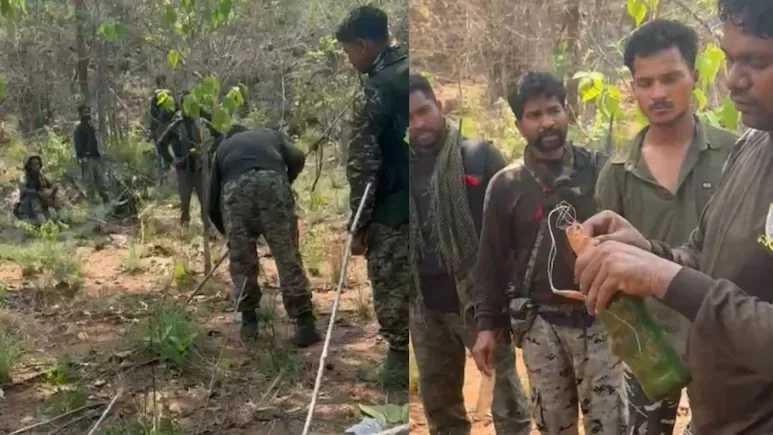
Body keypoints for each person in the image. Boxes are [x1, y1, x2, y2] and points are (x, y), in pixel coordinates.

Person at [574, 0, 773, 432]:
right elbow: (703, 253)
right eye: (732, 60)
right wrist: (648, 252)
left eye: (757, 62)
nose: (734, 79)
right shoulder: (753, 145)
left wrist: (664, 277)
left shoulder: (728, 145)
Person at [595, 19, 739, 435]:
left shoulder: (735, 154)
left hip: (723, 336)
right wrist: (621, 334)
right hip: (650, 344)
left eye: (670, 78)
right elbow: (608, 266)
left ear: (694, 76)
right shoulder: (617, 173)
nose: (658, 94)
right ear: (633, 88)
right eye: (645, 83)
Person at [471, 72, 627, 434]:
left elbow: (627, 241)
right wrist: (486, 326)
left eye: (554, 110)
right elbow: (491, 261)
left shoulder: (601, 171)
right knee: (554, 425)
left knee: (612, 425)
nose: (547, 122)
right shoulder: (506, 185)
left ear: (567, 111)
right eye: (534, 115)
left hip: (601, 320)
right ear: (519, 124)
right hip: (541, 326)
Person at [408, 74, 531, 434]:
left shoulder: (478, 157)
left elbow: (515, 224)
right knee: (439, 403)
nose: (419, 123)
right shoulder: (401, 168)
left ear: (439, 106)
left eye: (424, 111)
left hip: (478, 301)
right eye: (409, 118)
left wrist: (507, 296)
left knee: (505, 399)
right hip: (425, 305)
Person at [336, 5, 409, 388]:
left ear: (364, 45)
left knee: (394, 295)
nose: (350, 61)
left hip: (392, 211)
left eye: (349, 52)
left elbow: (363, 163)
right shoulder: (413, 72)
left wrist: (359, 224)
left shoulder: (377, 87)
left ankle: (396, 382)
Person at [208, 124, 321, 347]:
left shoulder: (223, 148)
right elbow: (298, 157)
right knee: (286, 253)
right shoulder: (269, 135)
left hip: (237, 192)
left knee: (242, 261)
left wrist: (230, 235)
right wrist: (286, 179)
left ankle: (249, 325)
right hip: (272, 184)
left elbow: (212, 204)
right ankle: (305, 323)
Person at [157, 91, 221, 227]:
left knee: (206, 202)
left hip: (201, 168)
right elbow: (161, 144)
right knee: (185, 204)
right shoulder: (176, 126)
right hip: (184, 169)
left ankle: (208, 230)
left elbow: (220, 136)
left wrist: (210, 151)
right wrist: (172, 160)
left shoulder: (202, 123)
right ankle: (184, 229)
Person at [73, 105, 109, 203]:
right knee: (90, 183)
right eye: (84, 112)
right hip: (86, 159)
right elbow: (78, 144)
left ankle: (107, 202)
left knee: (101, 181)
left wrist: (100, 155)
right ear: (80, 114)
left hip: (95, 157)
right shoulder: (78, 129)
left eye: (88, 112)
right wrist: (82, 156)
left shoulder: (91, 127)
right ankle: (92, 204)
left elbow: (96, 142)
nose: (87, 114)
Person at [13, 155, 60, 225]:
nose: (37, 166)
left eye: (38, 164)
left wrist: (51, 191)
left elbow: (52, 184)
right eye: (34, 164)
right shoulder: (24, 177)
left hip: (40, 202)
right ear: (29, 166)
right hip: (28, 206)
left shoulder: (41, 176)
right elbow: (23, 190)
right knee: (33, 199)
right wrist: (38, 193)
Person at [147, 75, 176, 186]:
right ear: (159, 83)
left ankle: (169, 179)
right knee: (161, 153)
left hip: (170, 128)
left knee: (169, 152)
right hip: (160, 129)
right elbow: (153, 116)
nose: (164, 84)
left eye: (165, 81)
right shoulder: (155, 99)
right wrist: (153, 131)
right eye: (162, 82)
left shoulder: (170, 97)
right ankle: (162, 180)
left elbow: (175, 112)